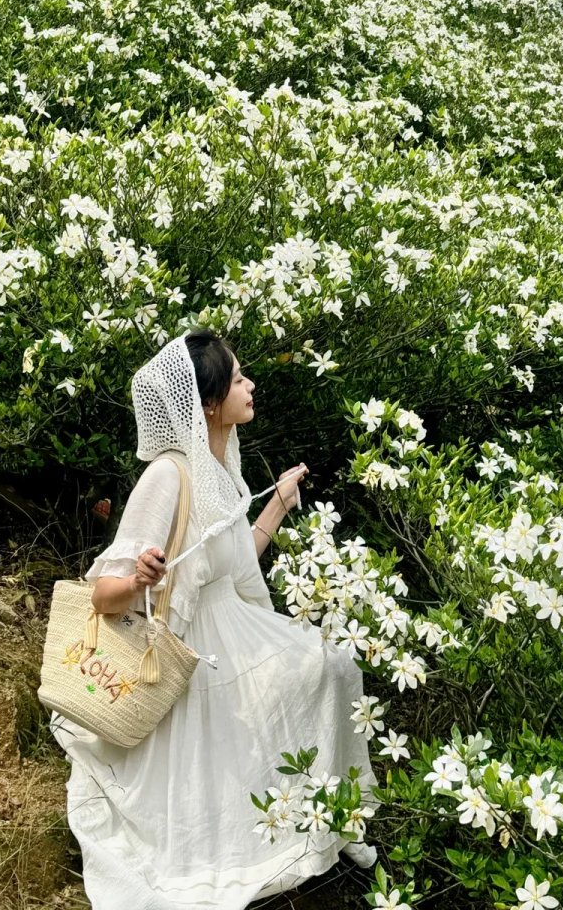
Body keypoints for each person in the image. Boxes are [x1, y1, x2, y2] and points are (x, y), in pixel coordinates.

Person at [49, 329, 377, 909]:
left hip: (234, 625)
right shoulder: (169, 476)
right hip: (193, 642)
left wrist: (277, 500)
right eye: (240, 378)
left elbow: (233, 558)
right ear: (208, 402)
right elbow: (103, 595)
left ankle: (327, 814)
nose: (251, 386)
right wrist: (140, 578)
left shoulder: (223, 469)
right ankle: (287, 825)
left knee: (332, 666)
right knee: (312, 674)